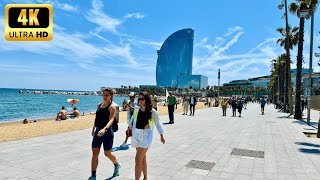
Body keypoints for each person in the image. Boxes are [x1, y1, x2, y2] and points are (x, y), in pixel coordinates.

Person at [129, 92, 165, 180]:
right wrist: (129, 126)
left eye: (142, 99)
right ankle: (145, 177)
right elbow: (133, 119)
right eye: (139, 99)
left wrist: (161, 135)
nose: (140, 101)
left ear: (147, 100)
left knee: (138, 160)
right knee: (143, 158)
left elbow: (158, 124)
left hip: (146, 137)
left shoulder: (152, 112)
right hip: (136, 135)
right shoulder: (137, 109)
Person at [88, 88, 121, 180]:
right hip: (98, 131)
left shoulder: (112, 107)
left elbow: (111, 120)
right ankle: (93, 175)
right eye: (104, 94)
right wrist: (93, 128)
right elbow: (97, 118)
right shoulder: (99, 105)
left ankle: (116, 165)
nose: (105, 96)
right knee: (95, 153)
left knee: (107, 153)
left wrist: (104, 129)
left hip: (107, 132)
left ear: (111, 96)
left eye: (107, 95)